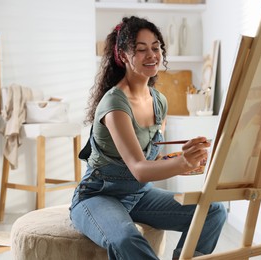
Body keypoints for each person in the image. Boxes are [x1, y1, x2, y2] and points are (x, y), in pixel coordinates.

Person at [70, 16, 226, 260]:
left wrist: (185, 156)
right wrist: (182, 163)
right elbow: (140, 169)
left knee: (213, 212)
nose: (152, 55)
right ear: (123, 56)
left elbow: (151, 157)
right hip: (99, 195)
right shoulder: (115, 104)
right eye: (141, 50)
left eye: (156, 47)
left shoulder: (158, 101)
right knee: (125, 238)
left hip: (139, 194)